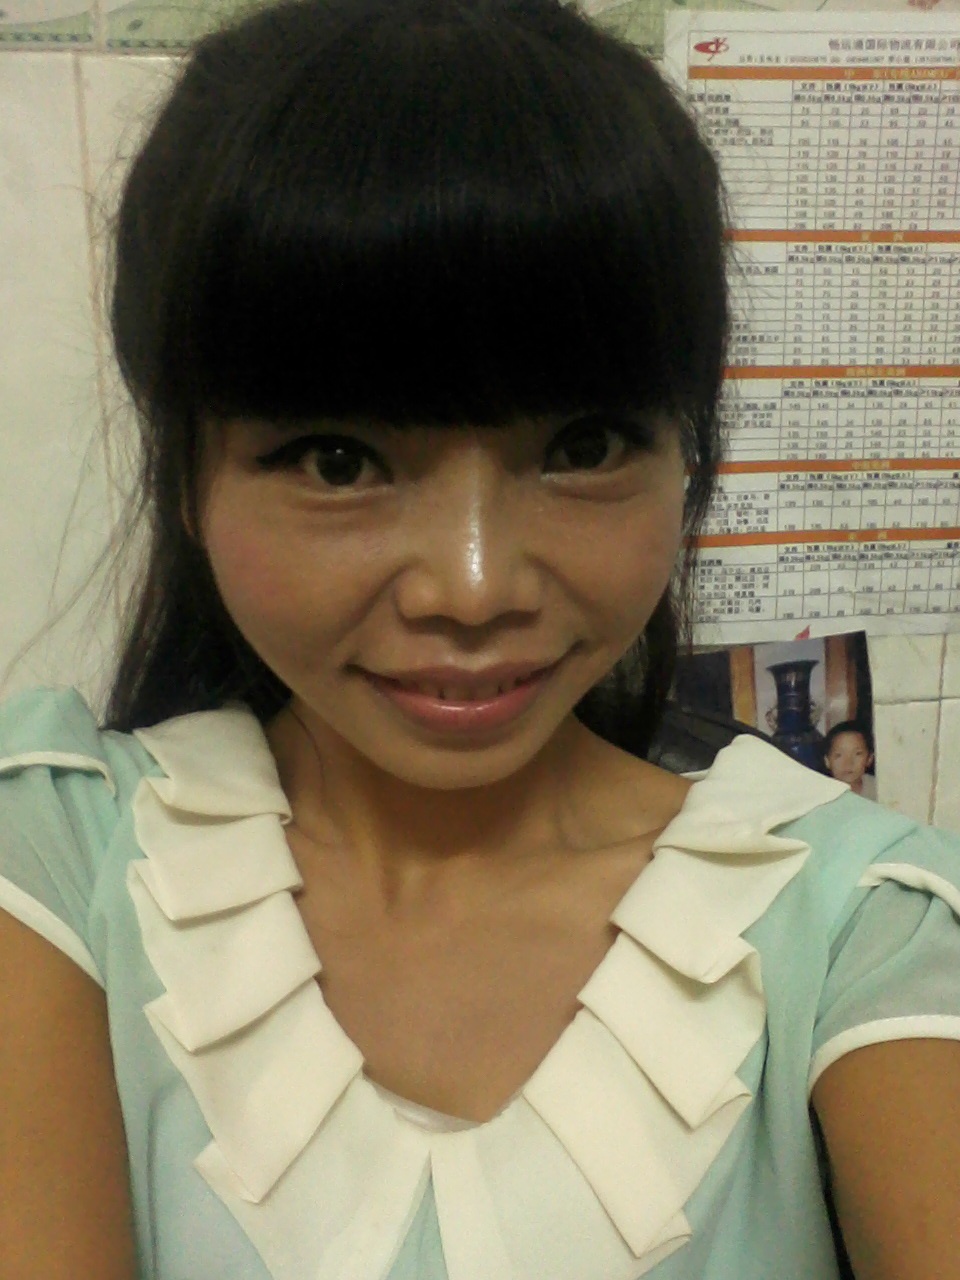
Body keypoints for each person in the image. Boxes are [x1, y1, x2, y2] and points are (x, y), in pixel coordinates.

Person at [0, 2, 958, 1277]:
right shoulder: (54, 854)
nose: (472, 585)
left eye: (584, 445)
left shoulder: (860, 921)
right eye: (338, 459)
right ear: (187, 476)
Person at [823, 720, 877, 800]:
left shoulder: (880, 788)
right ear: (827, 761)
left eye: (857, 754)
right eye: (838, 755)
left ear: (869, 758)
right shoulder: (820, 795)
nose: (848, 763)